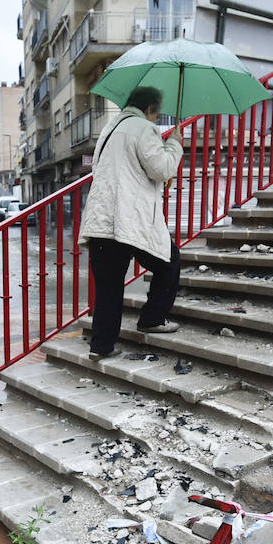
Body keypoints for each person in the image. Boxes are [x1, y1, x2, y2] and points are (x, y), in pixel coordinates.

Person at [79, 85, 184, 361]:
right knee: (169, 260)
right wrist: (174, 144)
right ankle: (152, 318)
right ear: (149, 109)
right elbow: (161, 169)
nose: (155, 119)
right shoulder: (143, 128)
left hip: (100, 220)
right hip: (127, 220)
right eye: (156, 113)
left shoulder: (110, 129)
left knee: (109, 285)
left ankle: (101, 346)